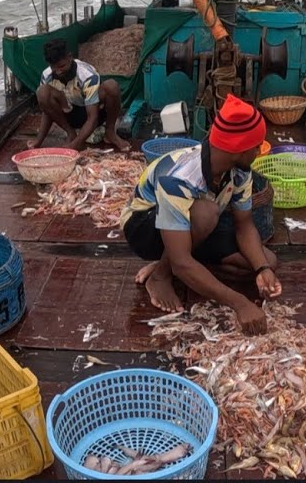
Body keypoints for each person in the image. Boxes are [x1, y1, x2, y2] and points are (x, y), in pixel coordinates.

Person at [120, 94, 282, 333]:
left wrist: (262, 269)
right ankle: (161, 276)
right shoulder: (179, 177)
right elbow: (199, 225)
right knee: (205, 213)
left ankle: (186, 266)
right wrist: (240, 304)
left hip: (194, 226)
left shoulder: (240, 170)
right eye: (257, 146)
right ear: (239, 149)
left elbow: (245, 225)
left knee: (268, 260)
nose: (259, 150)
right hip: (145, 226)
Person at [29, 38, 130, 152]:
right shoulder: (47, 75)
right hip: (69, 114)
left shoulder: (87, 75)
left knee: (111, 86)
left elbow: (93, 118)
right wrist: (38, 141)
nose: (58, 72)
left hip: (92, 112)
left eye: (62, 66)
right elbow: (47, 110)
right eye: (54, 68)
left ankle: (110, 133)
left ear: (70, 57)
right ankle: (70, 133)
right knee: (42, 92)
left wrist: (74, 146)